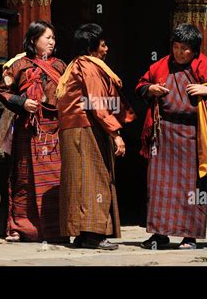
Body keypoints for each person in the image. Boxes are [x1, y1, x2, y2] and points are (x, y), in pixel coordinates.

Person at [136, 24, 207, 249]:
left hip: (193, 135)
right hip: (163, 134)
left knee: (192, 186)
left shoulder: (205, 66)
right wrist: (150, 89)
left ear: (195, 50)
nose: (179, 52)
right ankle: (159, 235)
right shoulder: (161, 65)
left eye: (185, 49)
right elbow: (141, 85)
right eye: (176, 47)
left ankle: (189, 236)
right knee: (159, 186)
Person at [56, 23, 136, 250]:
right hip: (85, 128)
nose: (106, 49)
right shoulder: (89, 67)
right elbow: (98, 104)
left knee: (79, 180)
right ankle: (93, 234)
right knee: (95, 179)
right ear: (91, 48)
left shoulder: (75, 66)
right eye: (102, 45)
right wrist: (116, 133)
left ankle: (83, 234)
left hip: (75, 129)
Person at [0, 20, 67, 243]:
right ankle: (21, 228)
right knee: (25, 178)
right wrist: (22, 103)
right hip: (29, 129)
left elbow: (71, 94)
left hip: (54, 132)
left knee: (54, 180)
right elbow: (3, 90)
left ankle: (56, 230)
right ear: (34, 40)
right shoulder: (19, 65)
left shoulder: (60, 67)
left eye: (53, 38)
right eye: (48, 38)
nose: (52, 42)